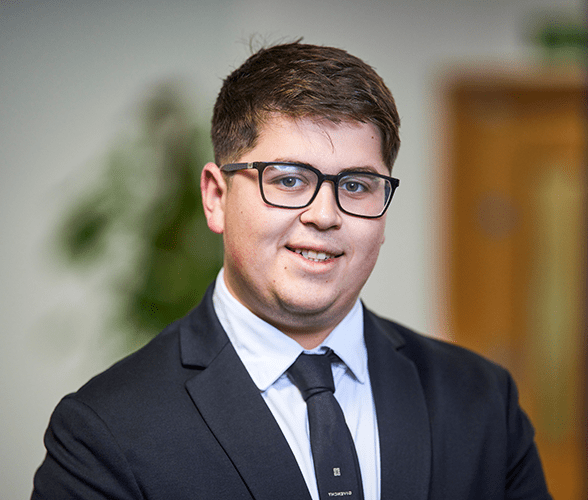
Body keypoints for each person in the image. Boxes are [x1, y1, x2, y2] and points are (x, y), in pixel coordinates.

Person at [31, 41, 552, 500]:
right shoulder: (104, 431)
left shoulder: (482, 402)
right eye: (287, 180)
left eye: (356, 185)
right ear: (215, 197)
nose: (324, 215)